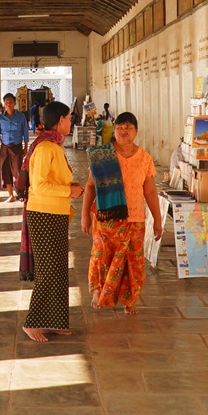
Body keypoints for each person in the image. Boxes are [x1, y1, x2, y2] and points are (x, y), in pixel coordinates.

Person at [80, 112, 163, 315]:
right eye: (119, 127)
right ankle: (98, 291)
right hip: (107, 218)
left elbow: (150, 192)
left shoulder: (144, 158)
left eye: (128, 128)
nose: (123, 131)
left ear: (136, 131)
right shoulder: (102, 156)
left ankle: (130, 299)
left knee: (133, 262)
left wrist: (157, 220)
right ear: (114, 130)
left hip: (135, 218)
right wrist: (84, 215)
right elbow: (90, 186)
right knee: (101, 255)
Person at [22, 101, 84, 342]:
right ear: (60, 120)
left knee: (58, 270)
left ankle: (54, 321)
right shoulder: (45, 148)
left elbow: (56, 179)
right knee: (48, 271)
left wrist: (70, 186)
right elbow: (39, 185)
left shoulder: (55, 145)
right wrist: (68, 190)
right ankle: (32, 322)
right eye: (69, 118)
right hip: (43, 214)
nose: (71, 121)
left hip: (56, 214)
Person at [0, 93, 29, 203]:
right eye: (6, 102)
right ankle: (11, 195)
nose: (8, 104)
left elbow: (25, 133)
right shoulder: (1, 118)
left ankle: (21, 193)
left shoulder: (21, 117)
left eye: (10, 102)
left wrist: (26, 147)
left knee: (18, 170)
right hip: (5, 147)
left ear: (14, 103)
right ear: (4, 104)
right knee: (5, 170)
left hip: (17, 147)